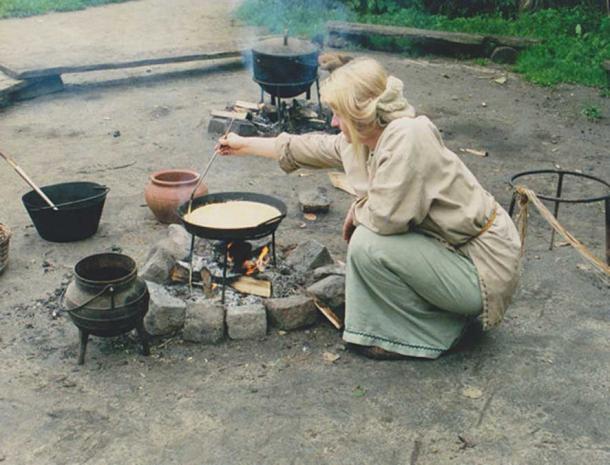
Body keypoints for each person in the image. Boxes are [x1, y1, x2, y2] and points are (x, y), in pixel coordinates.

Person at [217, 57, 521, 360]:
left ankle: (433, 332)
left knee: (368, 244)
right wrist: (243, 144)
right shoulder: (367, 140)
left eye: (338, 113)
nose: (334, 122)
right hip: (451, 254)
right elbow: (305, 147)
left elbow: (385, 218)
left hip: (481, 267)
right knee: (368, 242)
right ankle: (433, 318)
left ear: (360, 113)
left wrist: (357, 210)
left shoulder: (408, 137)